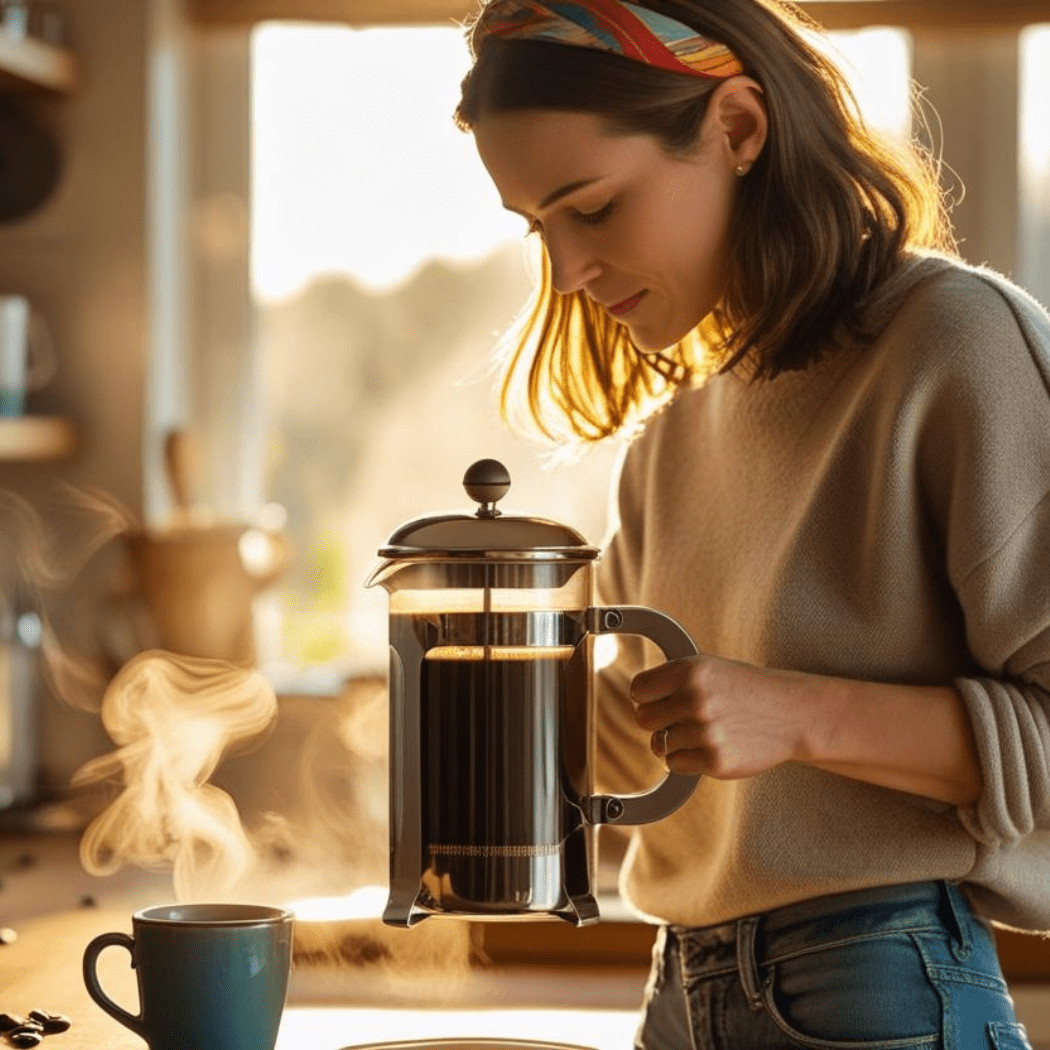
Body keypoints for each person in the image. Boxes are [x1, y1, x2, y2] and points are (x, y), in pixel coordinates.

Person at [454, 1, 1050, 1048]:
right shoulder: (671, 441)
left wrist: (799, 715)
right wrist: (463, 690)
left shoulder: (956, 346)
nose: (567, 274)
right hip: (680, 987)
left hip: (880, 986)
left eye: (589, 208)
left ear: (735, 128)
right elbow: (644, 741)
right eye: (535, 226)